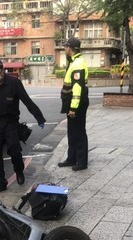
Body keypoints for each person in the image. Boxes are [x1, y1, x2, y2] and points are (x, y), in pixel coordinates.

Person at [0, 58, 46, 193]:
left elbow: (27, 101)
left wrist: (39, 117)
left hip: (11, 123)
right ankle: (1, 183)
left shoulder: (14, 84)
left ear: (2, 70)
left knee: (15, 151)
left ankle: (19, 171)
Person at [58, 37, 89, 171]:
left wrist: (73, 108)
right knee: (72, 132)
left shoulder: (78, 64)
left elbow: (77, 88)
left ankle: (81, 162)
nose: (64, 49)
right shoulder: (74, 61)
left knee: (79, 132)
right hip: (72, 102)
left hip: (77, 103)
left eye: (65, 47)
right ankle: (71, 158)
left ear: (70, 48)